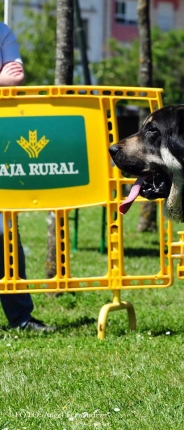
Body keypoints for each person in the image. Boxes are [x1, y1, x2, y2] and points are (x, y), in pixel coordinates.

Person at [0, 22, 54, 332]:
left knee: (5, 232)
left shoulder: (2, 31)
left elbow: (16, 77)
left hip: (4, 139)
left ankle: (20, 317)